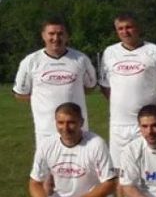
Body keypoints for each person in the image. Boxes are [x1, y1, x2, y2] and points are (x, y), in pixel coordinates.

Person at [18, 103, 117, 197]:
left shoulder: (96, 144)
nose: (65, 127)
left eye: (71, 122)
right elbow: (34, 183)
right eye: (60, 122)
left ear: (81, 122)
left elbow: (110, 184)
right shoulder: (47, 145)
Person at [100, 12, 156, 171]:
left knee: (150, 168)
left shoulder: (155, 51)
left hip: (148, 125)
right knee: (120, 170)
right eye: (120, 28)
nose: (125, 32)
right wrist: (122, 104)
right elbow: (105, 85)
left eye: (129, 27)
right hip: (119, 124)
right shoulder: (110, 52)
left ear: (138, 28)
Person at [13, 17, 97, 146]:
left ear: (67, 36)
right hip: (45, 130)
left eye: (60, 33)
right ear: (43, 35)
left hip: (77, 129)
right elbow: (20, 94)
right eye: (51, 34)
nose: (56, 38)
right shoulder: (30, 61)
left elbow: (90, 87)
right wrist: (44, 100)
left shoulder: (81, 59)